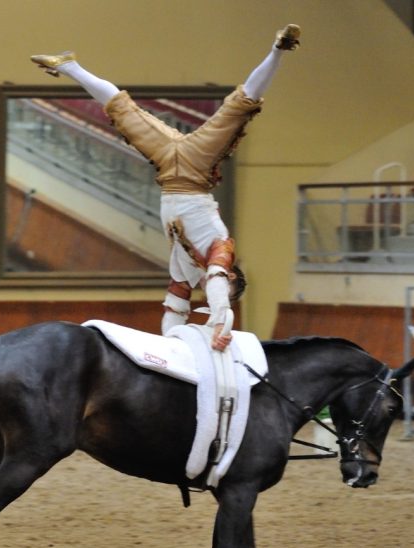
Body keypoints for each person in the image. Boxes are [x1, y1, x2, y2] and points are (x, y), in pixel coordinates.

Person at [31, 25, 300, 350]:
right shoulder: (221, 252)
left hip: (169, 168)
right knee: (239, 107)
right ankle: (279, 50)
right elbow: (215, 285)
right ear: (230, 277)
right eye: (225, 285)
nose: (208, 285)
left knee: (122, 109)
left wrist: (170, 345)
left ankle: (69, 66)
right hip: (194, 170)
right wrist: (221, 326)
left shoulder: (189, 266)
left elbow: (175, 303)